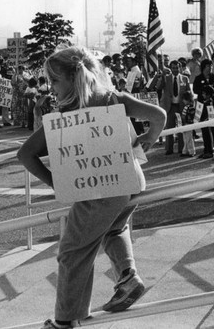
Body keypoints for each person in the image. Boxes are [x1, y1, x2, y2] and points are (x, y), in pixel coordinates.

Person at [17, 46, 166, 329]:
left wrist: (59, 184)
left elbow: (25, 154)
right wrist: (149, 137)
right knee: (114, 228)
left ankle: (64, 322)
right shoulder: (112, 98)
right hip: (132, 181)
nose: (52, 88)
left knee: (73, 251)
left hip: (100, 190)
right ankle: (127, 276)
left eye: (55, 81)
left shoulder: (67, 114)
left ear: (73, 79)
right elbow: (158, 115)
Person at [156, 59, 192, 155]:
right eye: (173, 68)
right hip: (169, 106)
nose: (175, 70)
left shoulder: (185, 79)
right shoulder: (166, 78)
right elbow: (158, 87)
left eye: (177, 68)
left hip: (180, 106)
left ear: (180, 68)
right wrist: (162, 75)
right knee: (169, 127)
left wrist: (189, 104)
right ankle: (169, 148)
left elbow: (189, 93)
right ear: (170, 68)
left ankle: (181, 148)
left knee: (180, 127)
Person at [199, 85, 214, 159]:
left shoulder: (210, 103)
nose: (202, 95)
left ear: (208, 95)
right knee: (205, 137)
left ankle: (210, 151)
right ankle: (205, 151)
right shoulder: (205, 102)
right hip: (203, 122)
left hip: (208, 123)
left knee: (209, 136)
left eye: (204, 93)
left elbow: (210, 113)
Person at [180, 90, 196, 157]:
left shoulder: (191, 107)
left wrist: (187, 120)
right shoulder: (186, 106)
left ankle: (191, 151)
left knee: (189, 138)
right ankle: (185, 151)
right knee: (185, 138)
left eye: (184, 99)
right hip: (184, 123)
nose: (183, 101)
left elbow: (191, 116)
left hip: (188, 124)